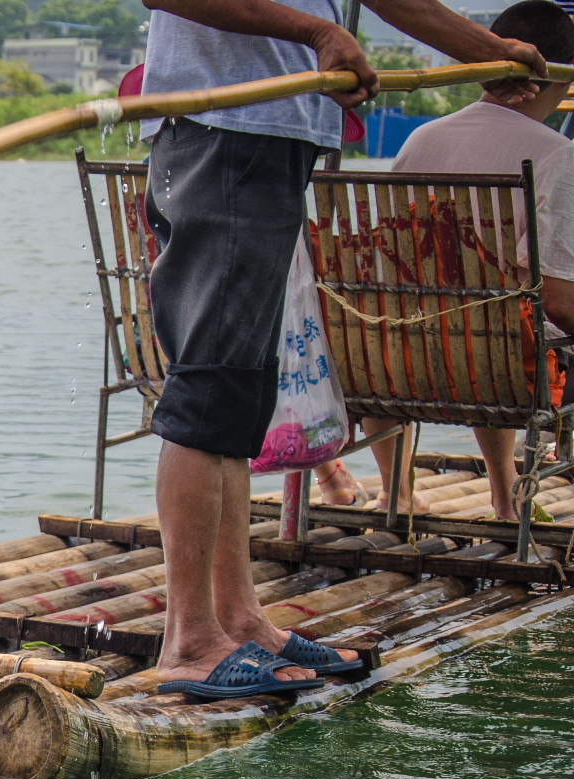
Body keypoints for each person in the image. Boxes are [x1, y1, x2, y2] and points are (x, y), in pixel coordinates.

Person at [138, 0, 544, 700]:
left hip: (269, 134)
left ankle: (238, 619)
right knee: (211, 385)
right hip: (225, 127)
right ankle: (189, 641)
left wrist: (487, 48)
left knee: (242, 391)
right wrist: (318, 33)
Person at [354, 1, 574, 521]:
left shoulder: (420, 138)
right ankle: (505, 496)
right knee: (502, 323)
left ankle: (397, 490)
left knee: (477, 317)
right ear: (559, 78)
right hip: (500, 370)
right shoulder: (556, 154)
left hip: (391, 361)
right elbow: (559, 300)